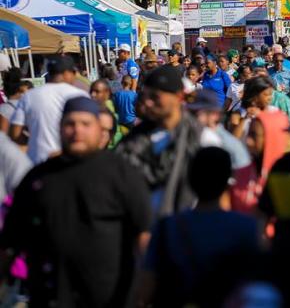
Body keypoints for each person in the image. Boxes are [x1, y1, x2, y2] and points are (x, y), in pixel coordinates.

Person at [1, 97, 151, 307]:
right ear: (60, 129)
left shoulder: (123, 174)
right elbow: (11, 239)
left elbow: (143, 234)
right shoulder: (38, 177)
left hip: (112, 297)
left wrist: (147, 285)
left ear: (100, 131)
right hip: (51, 296)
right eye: (70, 124)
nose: (77, 130)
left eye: (85, 124)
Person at [139, 147, 259, 308]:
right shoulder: (247, 228)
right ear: (228, 182)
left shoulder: (167, 227)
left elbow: (146, 287)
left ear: (190, 179)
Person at [115, 66, 204, 217]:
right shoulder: (133, 140)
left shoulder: (201, 139)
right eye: (145, 97)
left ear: (178, 96)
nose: (148, 103)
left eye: (155, 97)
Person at [10, 56, 89, 164]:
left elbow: (14, 133)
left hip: (38, 162)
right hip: (71, 162)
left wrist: (34, 142)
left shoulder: (29, 96)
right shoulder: (80, 95)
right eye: (74, 73)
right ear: (67, 73)